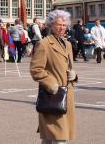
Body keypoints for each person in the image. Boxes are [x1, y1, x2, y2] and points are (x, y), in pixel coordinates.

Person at [30, 10, 77, 143]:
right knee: (58, 138)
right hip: (53, 96)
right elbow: (36, 69)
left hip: (66, 96)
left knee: (50, 138)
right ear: (51, 25)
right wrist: (51, 84)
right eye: (58, 24)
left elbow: (69, 66)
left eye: (64, 24)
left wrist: (74, 75)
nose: (62, 27)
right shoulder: (44, 44)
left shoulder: (67, 44)